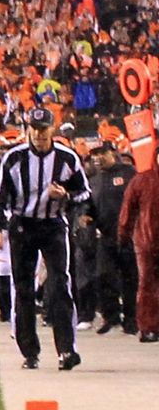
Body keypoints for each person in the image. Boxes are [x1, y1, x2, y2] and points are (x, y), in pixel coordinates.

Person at [0, 107, 91, 370]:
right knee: (23, 289)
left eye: (44, 130)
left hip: (53, 224)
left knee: (59, 284)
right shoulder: (14, 158)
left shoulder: (67, 158)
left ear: (52, 130)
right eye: (34, 129)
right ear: (28, 130)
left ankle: (66, 350)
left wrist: (65, 195)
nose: (39, 135)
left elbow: (84, 194)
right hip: (22, 224)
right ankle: (29, 351)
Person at [86, 143, 135, 335]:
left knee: (130, 278)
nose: (97, 158)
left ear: (111, 153)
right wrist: (86, 215)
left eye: (101, 153)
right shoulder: (95, 179)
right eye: (94, 155)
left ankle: (131, 319)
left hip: (128, 235)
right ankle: (111, 316)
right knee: (103, 276)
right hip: (105, 236)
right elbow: (89, 204)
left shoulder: (128, 172)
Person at [118, 156, 159, 342]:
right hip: (146, 242)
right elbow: (128, 209)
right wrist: (123, 235)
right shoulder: (142, 180)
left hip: (144, 240)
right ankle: (148, 327)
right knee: (147, 285)